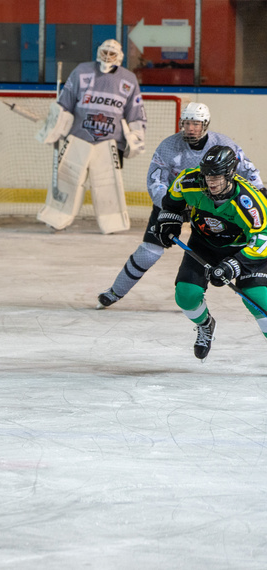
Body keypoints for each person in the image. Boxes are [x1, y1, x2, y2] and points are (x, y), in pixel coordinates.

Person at [98, 103, 263, 308]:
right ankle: (115, 291)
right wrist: (171, 209)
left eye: (196, 123)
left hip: (212, 206)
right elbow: (155, 182)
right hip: (175, 202)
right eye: (186, 123)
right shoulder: (168, 146)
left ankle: (198, 295)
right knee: (150, 250)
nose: (190, 128)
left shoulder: (223, 143)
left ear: (205, 124)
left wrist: (259, 193)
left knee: (243, 244)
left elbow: (248, 171)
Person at [153, 146, 267, 360]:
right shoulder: (189, 181)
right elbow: (172, 203)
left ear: (230, 174)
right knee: (186, 296)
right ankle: (205, 325)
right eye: (207, 175)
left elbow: (263, 239)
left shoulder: (250, 202)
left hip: (243, 248)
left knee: (259, 299)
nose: (210, 181)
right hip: (203, 244)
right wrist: (169, 220)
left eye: (217, 176)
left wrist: (234, 264)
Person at [36, 39, 146, 234]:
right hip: (78, 138)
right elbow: (65, 103)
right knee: (67, 178)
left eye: (112, 54)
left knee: (108, 184)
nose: (107, 57)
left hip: (111, 142)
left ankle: (113, 222)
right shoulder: (82, 71)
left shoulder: (128, 79)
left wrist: (137, 135)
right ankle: (56, 216)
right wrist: (56, 122)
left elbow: (136, 112)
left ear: (119, 56)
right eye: (105, 52)